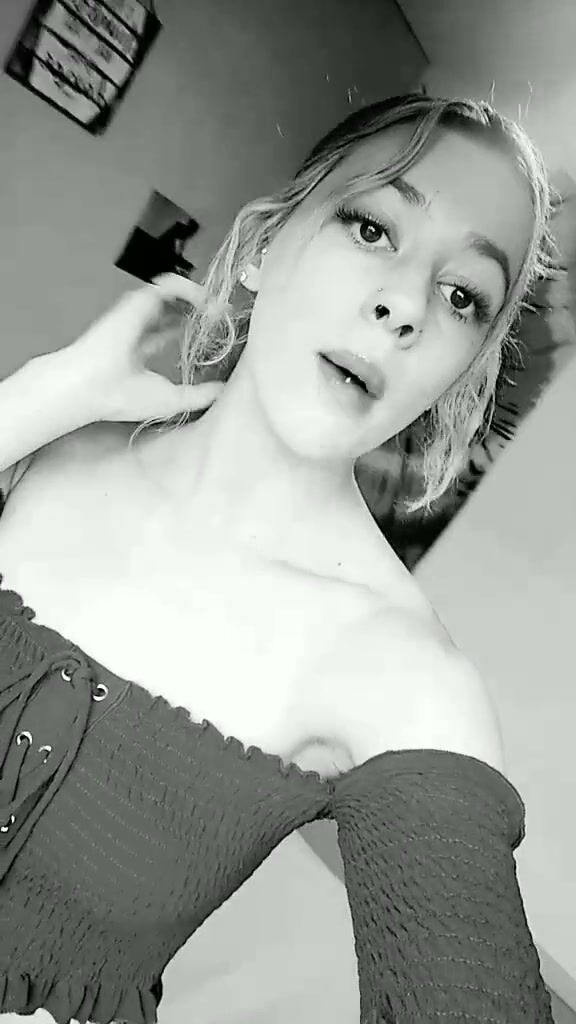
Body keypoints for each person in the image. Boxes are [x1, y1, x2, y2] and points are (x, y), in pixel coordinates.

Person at [0, 93, 557, 1023]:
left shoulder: (406, 680)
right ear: (263, 246)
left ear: (459, 367)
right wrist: (30, 401)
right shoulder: (50, 449)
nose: (404, 307)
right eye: (373, 227)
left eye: (463, 296)